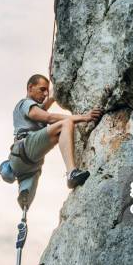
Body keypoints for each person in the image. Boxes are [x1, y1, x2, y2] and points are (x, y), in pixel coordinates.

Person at [9, 74, 102, 208]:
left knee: (29, 186)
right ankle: (71, 173)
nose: (45, 93)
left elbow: (46, 103)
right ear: (30, 88)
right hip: (25, 147)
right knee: (66, 124)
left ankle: (24, 205)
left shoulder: (34, 107)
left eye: (46, 90)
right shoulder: (25, 104)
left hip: (24, 162)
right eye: (42, 89)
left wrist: (53, 92)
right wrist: (84, 117)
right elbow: (48, 117)